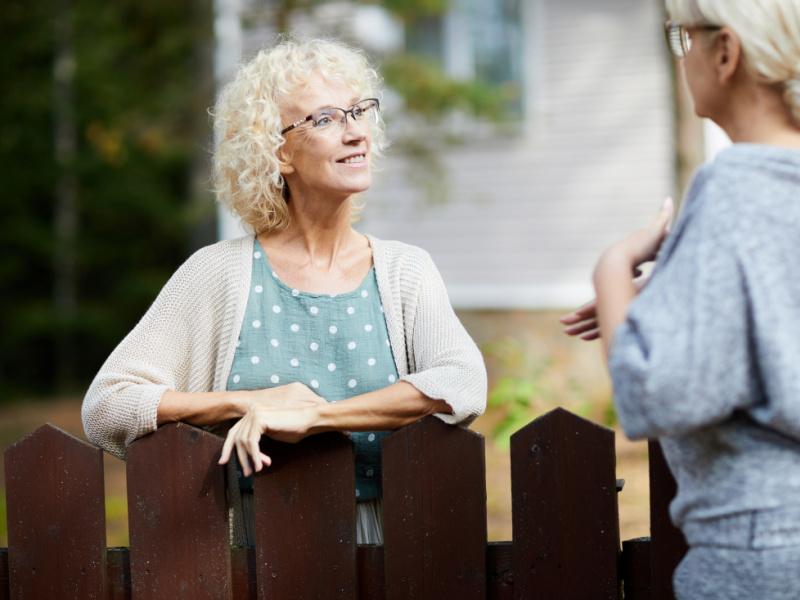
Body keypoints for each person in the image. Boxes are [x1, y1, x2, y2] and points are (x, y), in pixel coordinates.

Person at [81, 38, 487, 546]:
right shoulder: (216, 273)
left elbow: (463, 382)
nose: (356, 132)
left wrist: (317, 415)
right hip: (251, 543)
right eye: (325, 119)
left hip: (391, 540)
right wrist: (246, 402)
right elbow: (108, 406)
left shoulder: (406, 269)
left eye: (359, 112)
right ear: (277, 152)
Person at [562, 1, 800, 598]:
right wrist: (676, 287)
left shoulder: (733, 186)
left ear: (726, 52)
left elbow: (656, 396)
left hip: (762, 552)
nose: (681, 56)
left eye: (682, 37)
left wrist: (613, 271)